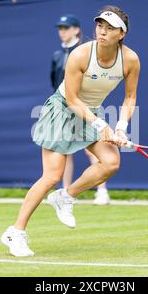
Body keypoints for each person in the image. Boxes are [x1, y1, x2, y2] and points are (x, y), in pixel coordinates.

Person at [1, 6, 140, 257]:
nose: (102, 32)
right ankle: (15, 232)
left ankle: (65, 197)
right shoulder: (80, 55)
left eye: (110, 28)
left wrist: (120, 127)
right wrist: (102, 126)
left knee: (110, 162)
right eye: (100, 26)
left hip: (91, 112)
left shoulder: (130, 60)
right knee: (52, 176)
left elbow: (130, 97)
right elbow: (74, 99)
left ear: (122, 33)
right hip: (63, 109)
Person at [51, 14, 111, 205]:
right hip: (65, 109)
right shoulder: (57, 56)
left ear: (76, 30)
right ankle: (65, 193)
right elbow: (55, 84)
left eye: (66, 28)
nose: (62, 32)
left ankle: (102, 191)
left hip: (87, 108)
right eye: (60, 28)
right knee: (65, 151)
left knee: (93, 150)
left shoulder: (86, 52)